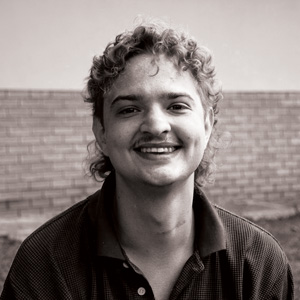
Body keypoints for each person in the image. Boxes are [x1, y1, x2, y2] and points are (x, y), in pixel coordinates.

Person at [1, 21, 293, 300]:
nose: (155, 125)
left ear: (206, 125)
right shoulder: (46, 265)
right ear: (101, 130)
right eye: (129, 110)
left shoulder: (257, 264)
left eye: (177, 106)